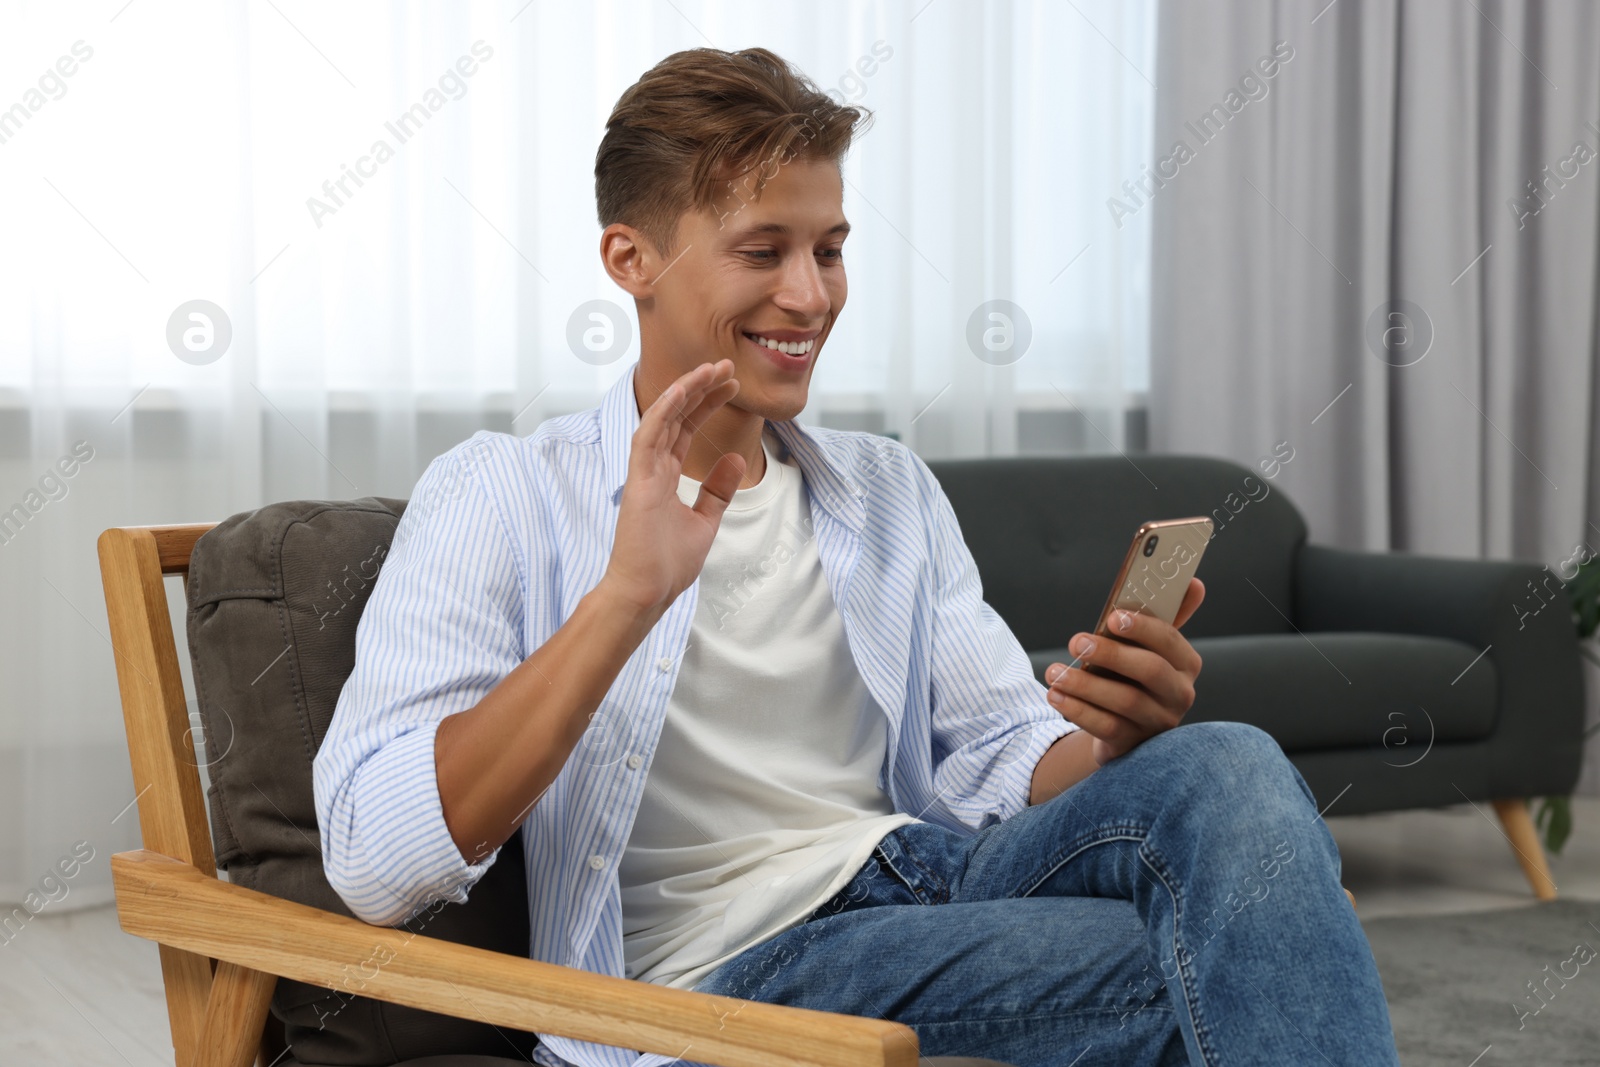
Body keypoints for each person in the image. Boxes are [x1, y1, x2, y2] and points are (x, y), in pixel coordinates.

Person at [313, 45, 1402, 1067]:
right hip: (736, 972)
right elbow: (375, 858)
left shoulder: (882, 488)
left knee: (1232, 765)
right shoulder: (500, 493)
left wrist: (1110, 737)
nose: (811, 294)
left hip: (934, 879)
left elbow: (998, 756)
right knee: (1264, 940)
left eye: (829, 249)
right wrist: (627, 596)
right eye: (762, 250)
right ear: (629, 258)